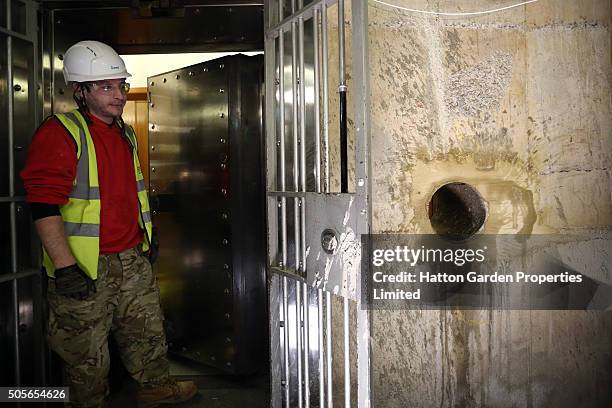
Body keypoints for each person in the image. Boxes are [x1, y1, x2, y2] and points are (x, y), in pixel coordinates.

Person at [20, 40, 197, 408]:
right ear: (80, 92)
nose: (119, 94)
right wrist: (66, 268)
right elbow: (42, 204)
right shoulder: (60, 133)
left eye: (119, 85)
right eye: (105, 86)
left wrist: (146, 241)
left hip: (130, 256)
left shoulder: (124, 132)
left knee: (146, 332)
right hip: (85, 265)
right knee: (85, 353)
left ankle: (155, 388)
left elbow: (129, 193)